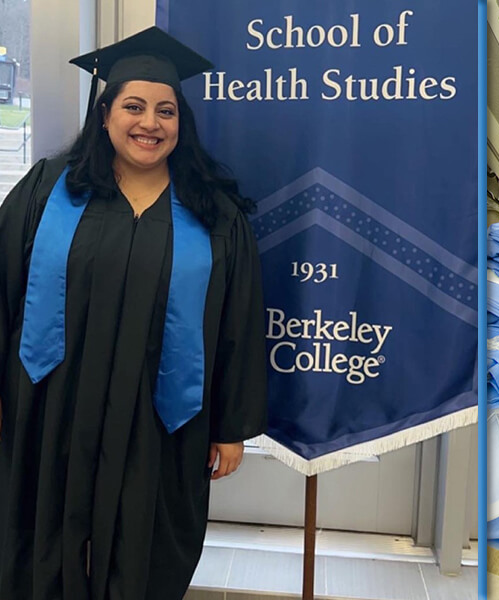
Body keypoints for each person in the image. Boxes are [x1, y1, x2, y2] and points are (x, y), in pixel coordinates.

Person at [0, 27, 267, 599]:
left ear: (181, 124)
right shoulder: (50, 190)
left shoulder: (213, 212)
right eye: (134, 106)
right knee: (39, 531)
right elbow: (2, 287)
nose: (150, 123)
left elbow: (238, 326)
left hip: (160, 413)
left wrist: (229, 427)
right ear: (105, 115)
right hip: (53, 401)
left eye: (166, 110)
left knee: (146, 542)